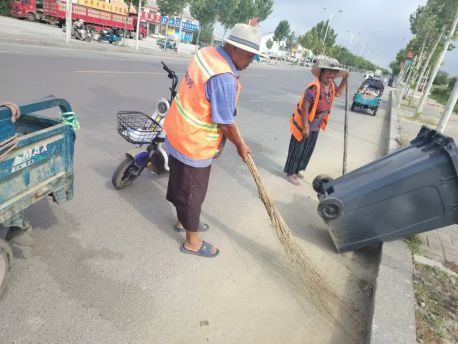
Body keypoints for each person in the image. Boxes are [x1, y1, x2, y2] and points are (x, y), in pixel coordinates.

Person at [163, 23, 265, 258]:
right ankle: (192, 241)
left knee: (179, 182)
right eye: (250, 56)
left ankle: (183, 221)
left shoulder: (206, 53)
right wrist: (240, 145)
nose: (251, 62)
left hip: (177, 130)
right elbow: (225, 123)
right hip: (194, 144)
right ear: (235, 49)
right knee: (193, 192)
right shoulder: (224, 78)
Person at [284, 58, 349, 186]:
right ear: (322, 72)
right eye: (329, 71)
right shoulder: (315, 87)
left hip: (316, 125)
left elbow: (339, 92)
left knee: (306, 150)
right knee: (297, 149)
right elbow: (304, 107)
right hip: (304, 123)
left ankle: (296, 171)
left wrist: (345, 78)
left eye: (334, 72)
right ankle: (290, 173)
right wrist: (306, 127)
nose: (332, 75)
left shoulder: (330, 85)